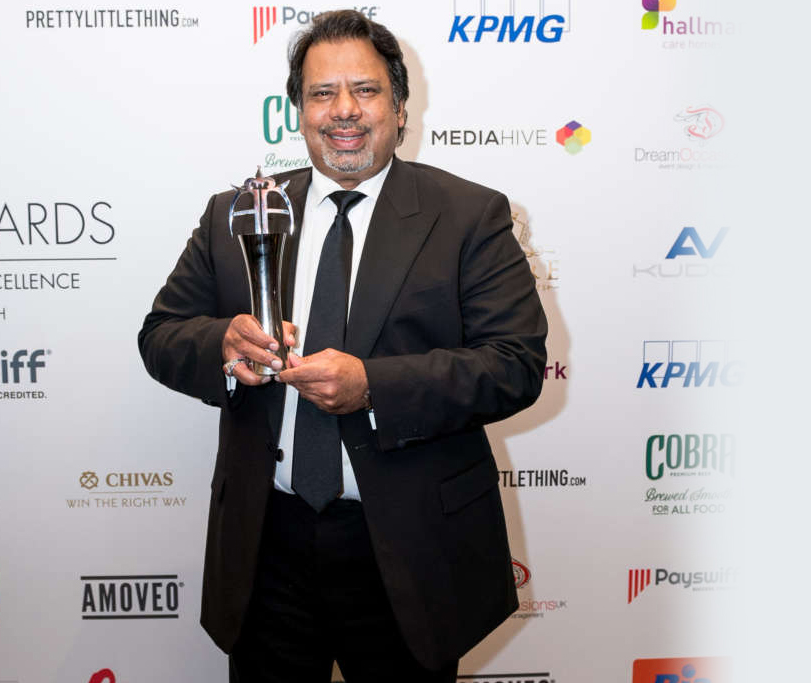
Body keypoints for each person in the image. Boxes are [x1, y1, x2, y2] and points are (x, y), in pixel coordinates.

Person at [138, 10, 547, 683]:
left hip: (409, 550)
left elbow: (515, 364)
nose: (344, 110)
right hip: (266, 546)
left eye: (366, 89)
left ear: (401, 107)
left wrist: (374, 387)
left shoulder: (469, 215)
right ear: (299, 112)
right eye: (322, 93)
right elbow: (160, 334)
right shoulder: (237, 212)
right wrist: (222, 346)